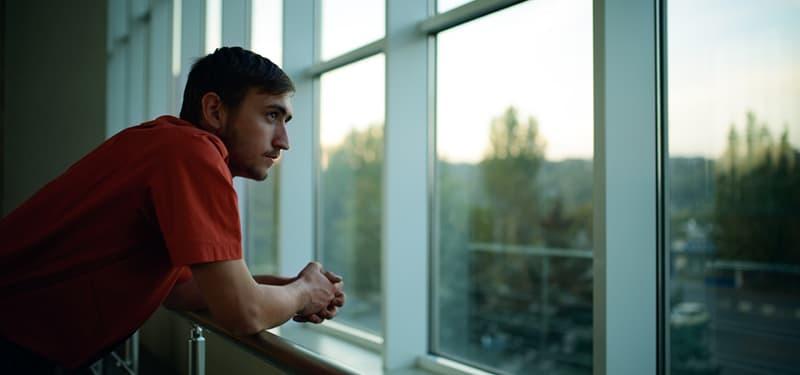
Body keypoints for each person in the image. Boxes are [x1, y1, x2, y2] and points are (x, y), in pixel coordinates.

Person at [0, 46, 344, 374]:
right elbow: (243, 312)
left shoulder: (168, 144)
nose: (284, 141)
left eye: (286, 121)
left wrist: (286, 289)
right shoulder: (192, 153)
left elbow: (181, 291)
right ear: (215, 110)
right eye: (271, 115)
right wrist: (302, 293)